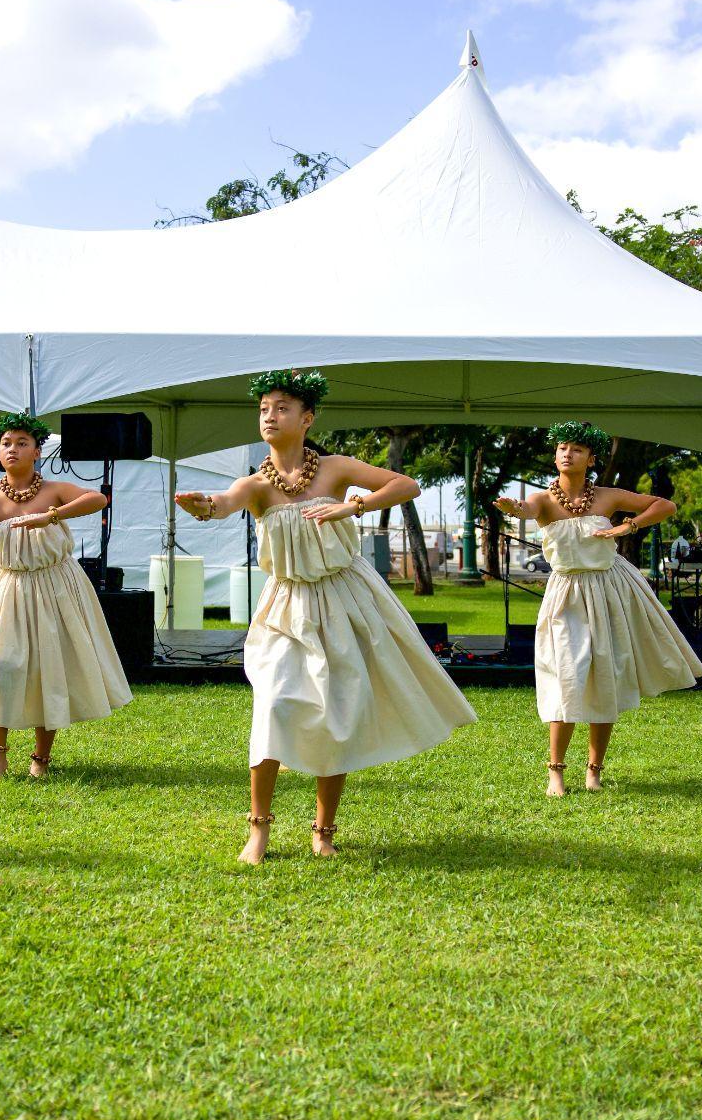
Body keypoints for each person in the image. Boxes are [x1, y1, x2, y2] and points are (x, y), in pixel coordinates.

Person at [177, 370, 477, 863]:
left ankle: (323, 830)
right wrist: (203, 506)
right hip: (285, 606)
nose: (269, 416)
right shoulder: (254, 485)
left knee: (335, 712)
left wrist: (353, 506)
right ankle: (259, 829)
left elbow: (407, 484)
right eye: (263, 409)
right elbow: (223, 503)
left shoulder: (335, 469)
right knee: (272, 705)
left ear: (307, 417)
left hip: (344, 599)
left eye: (281, 408)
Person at [494, 421, 702, 796]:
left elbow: (665, 505)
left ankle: (594, 770)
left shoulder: (608, 496)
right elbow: (526, 509)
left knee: (603, 675)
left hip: (609, 589)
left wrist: (629, 526)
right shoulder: (543, 499)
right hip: (567, 594)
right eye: (561, 448)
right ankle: (555, 771)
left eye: (575, 449)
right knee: (566, 675)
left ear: (591, 459)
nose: (566, 454)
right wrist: (513, 507)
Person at [0, 413, 131, 779]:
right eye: (6, 443)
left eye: (22, 443)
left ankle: (41, 759)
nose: (13, 449)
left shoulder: (53, 490)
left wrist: (50, 517)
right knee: (2, 667)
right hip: (12, 588)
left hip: (57, 585)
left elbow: (97, 498)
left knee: (48, 669)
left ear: (37, 451)